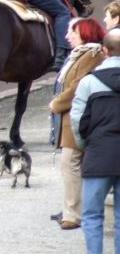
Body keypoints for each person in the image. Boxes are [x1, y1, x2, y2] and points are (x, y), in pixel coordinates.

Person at [48, 18, 106, 230]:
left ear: (85, 32)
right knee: (71, 165)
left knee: (70, 164)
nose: (67, 36)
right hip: (70, 118)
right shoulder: (80, 54)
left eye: (72, 31)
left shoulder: (92, 55)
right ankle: (72, 210)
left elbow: (77, 86)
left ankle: (73, 214)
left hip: (78, 117)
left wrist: (57, 103)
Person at [71, 28, 120, 253]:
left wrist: (85, 146)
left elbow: (78, 121)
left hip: (98, 155)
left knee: (92, 215)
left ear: (104, 50)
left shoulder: (89, 82)